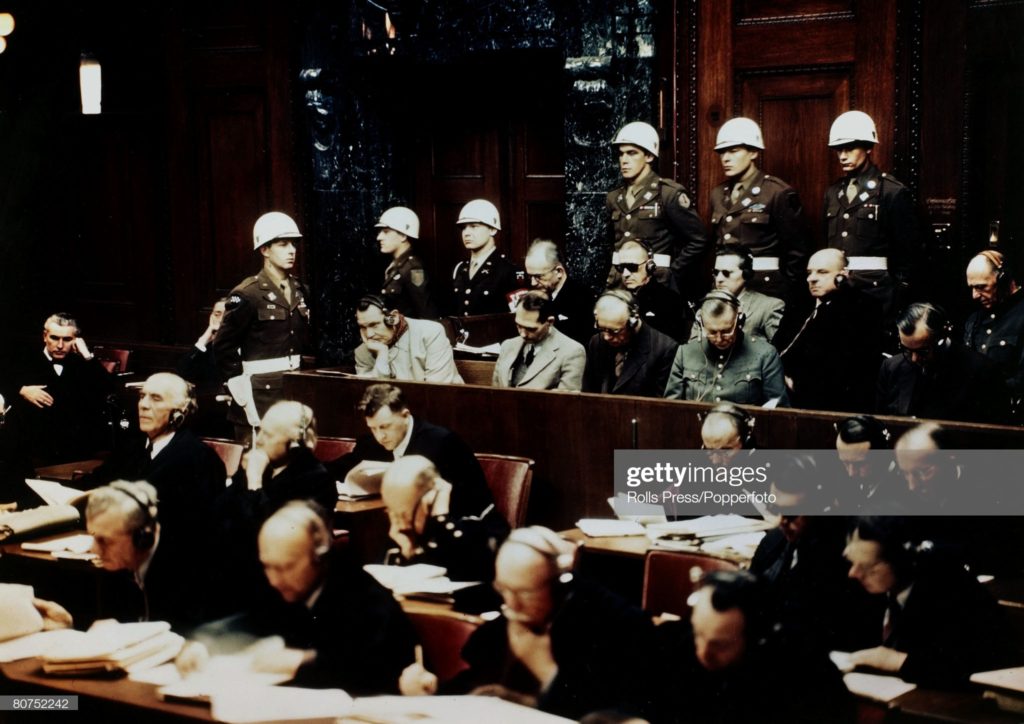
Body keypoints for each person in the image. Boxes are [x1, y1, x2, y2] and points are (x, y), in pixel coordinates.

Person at [400, 526, 659, 721]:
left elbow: (605, 712)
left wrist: (545, 671)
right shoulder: (514, 610)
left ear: (559, 583)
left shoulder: (610, 620)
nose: (511, 604)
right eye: (504, 589)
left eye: (523, 593)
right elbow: (478, 678)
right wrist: (434, 691)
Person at [179, 501, 417, 693]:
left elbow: (367, 667)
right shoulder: (282, 581)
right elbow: (252, 619)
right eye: (268, 566)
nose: (274, 579)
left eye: (286, 567)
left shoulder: (362, 596)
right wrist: (205, 641)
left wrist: (304, 662)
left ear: (319, 554)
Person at [651, 571, 854, 724]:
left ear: (756, 636)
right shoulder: (684, 641)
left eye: (720, 645)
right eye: (698, 634)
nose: (702, 652)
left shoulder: (802, 669)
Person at [843, 516, 1012, 687]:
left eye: (867, 567)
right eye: (852, 562)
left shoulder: (951, 590)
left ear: (902, 561)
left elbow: (975, 665)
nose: (853, 573)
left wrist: (896, 660)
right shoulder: (866, 588)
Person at [76, 373, 226, 561]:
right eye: (142, 396)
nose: (143, 405)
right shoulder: (132, 448)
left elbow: (194, 530)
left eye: (156, 399)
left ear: (180, 412)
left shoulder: (200, 459)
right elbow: (96, 483)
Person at [215, 401, 335, 610]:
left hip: (274, 584)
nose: (258, 440)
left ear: (295, 443)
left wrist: (254, 483)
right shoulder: (261, 466)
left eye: (268, 435)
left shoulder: (316, 480)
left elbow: (265, 533)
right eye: (261, 431)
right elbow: (218, 512)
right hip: (234, 570)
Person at [326, 384, 493, 516]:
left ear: (405, 416)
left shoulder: (443, 443)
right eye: (373, 428)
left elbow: (470, 500)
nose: (380, 436)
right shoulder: (371, 444)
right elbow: (336, 470)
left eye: (385, 427)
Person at [214, 212, 310, 439]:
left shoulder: (300, 289)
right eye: (282, 244)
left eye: (293, 244)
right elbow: (223, 346)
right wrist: (240, 388)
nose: (291, 250)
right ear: (264, 250)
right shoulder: (248, 293)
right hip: (258, 397)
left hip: (295, 391)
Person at [824, 111, 918, 321]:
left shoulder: (891, 191)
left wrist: (898, 297)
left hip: (877, 293)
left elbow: (907, 255)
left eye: (849, 148)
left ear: (868, 147)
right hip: (839, 290)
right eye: (839, 150)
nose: (842, 156)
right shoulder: (833, 192)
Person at [87, 480, 210, 629]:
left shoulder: (185, 573)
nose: (94, 549)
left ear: (142, 538)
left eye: (104, 541)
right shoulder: (116, 567)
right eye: (93, 537)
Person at [710, 117, 808, 300]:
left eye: (733, 151)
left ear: (753, 152)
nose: (726, 158)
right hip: (725, 288)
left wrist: (787, 293)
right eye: (722, 152)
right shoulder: (717, 194)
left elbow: (796, 252)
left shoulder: (776, 192)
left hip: (765, 289)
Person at [607, 121, 708, 297]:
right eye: (621, 154)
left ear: (649, 156)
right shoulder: (614, 197)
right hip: (619, 284)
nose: (624, 160)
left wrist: (671, 272)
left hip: (656, 285)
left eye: (632, 153)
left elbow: (698, 240)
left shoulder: (667, 194)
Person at [774, 248, 882, 412]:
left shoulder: (863, 307)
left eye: (822, 272)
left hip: (831, 402)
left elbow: (846, 366)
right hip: (785, 395)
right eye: (809, 272)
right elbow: (778, 344)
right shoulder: (800, 305)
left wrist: (795, 382)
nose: (812, 278)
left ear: (843, 275)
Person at [6, 312, 117, 464]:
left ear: (76, 340)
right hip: (30, 448)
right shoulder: (24, 359)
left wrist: (87, 355)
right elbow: (4, 381)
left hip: (74, 450)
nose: (60, 345)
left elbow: (109, 388)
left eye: (67, 339)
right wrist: (21, 390)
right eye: (54, 338)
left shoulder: (83, 364)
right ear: (45, 336)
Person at [380, 455, 508, 582]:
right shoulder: (402, 531)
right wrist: (408, 553)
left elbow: (481, 572)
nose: (401, 525)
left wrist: (441, 518)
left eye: (404, 514)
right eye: (393, 513)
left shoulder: (473, 517)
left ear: (430, 499)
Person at [876, 302, 1006, 423]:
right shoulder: (892, 367)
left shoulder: (980, 370)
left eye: (923, 351)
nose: (914, 359)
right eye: (907, 350)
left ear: (942, 339)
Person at [665, 291, 788, 406]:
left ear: (739, 321)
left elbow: (778, 410)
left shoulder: (765, 354)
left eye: (726, 331)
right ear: (701, 324)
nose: (719, 339)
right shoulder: (685, 353)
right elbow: (672, 408)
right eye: (712, 332)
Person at [583, 290, 678, 397]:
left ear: (633, 322)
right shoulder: (596, 342)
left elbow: (658, 404)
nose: (606, 337)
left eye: (614, 331)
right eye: (602, 329)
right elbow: (588, 392)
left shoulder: (664, 349)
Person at [353, 295, 463, 383]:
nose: (369, 334)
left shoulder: (430, 332)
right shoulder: (363, 352)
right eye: (363, 327)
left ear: (394, 317)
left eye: (374, 325)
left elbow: (438, 390)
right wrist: (382, 355)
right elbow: (375, 399)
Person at [963, 250, 1024, 405]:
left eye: (982, 287)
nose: (974, 295)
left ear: (1004, 281)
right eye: (972, 288)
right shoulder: (974, 319)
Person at [690, 245, 784, 342]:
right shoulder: (704, 310)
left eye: (727, 273)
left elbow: (778, 352)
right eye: (716, 272)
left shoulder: (769, 307)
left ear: (746, 274)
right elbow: (692, 350)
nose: (719, 279)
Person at [493, 291, 585, 391]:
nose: (522, 334)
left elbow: (566, 402)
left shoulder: (572, 352)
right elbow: (494, 393)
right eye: (519, 326)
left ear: (550, 322)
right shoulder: (508, 345)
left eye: (531, 329)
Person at [450, 199, 521, 316]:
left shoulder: (508, 271)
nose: (466, 233)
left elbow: (518, 316)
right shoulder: (460, 268)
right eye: (464, 227)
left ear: (492, 229)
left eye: (474, 226)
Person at [613, 240, 691, 342]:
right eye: (621, 268)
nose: (625, 274)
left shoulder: (670, 300)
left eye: (632, 267)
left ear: (649, 266)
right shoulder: (615, 300)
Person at [523, 239, 596, 346]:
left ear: (559, 272)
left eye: (538, 277)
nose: (533, 282)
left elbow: (579, 343)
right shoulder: (535, 296)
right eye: (530, 276)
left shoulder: (582, 298)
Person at [375, 206, 439, 319]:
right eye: (380, 232)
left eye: (386, 232)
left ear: (403, 236)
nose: (379, 237)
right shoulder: (396, 265)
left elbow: (425, 312)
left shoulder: (413, 268)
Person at [177, 297, 227, 388]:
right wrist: (204, 339)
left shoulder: (248, 345)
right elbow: (182, 373)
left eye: (227, 315)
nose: (220, 320)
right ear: (211, 317)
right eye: (217, 314)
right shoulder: (205, 346)